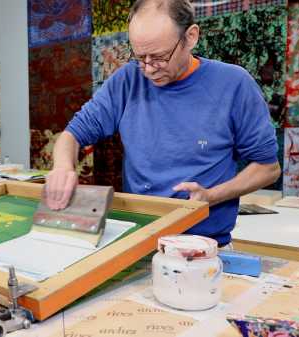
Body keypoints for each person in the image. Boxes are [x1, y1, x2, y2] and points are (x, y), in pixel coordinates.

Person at [44, 0, 281, 247]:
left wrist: (211, 196)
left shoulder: (233, 84)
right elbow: (71, 135)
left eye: (159, 57)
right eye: (139, 57)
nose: (148, 69)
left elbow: (268, 168)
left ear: (191, 37)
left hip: (206, 247)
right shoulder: (127, 81)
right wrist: (62, 167)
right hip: (139, 242)